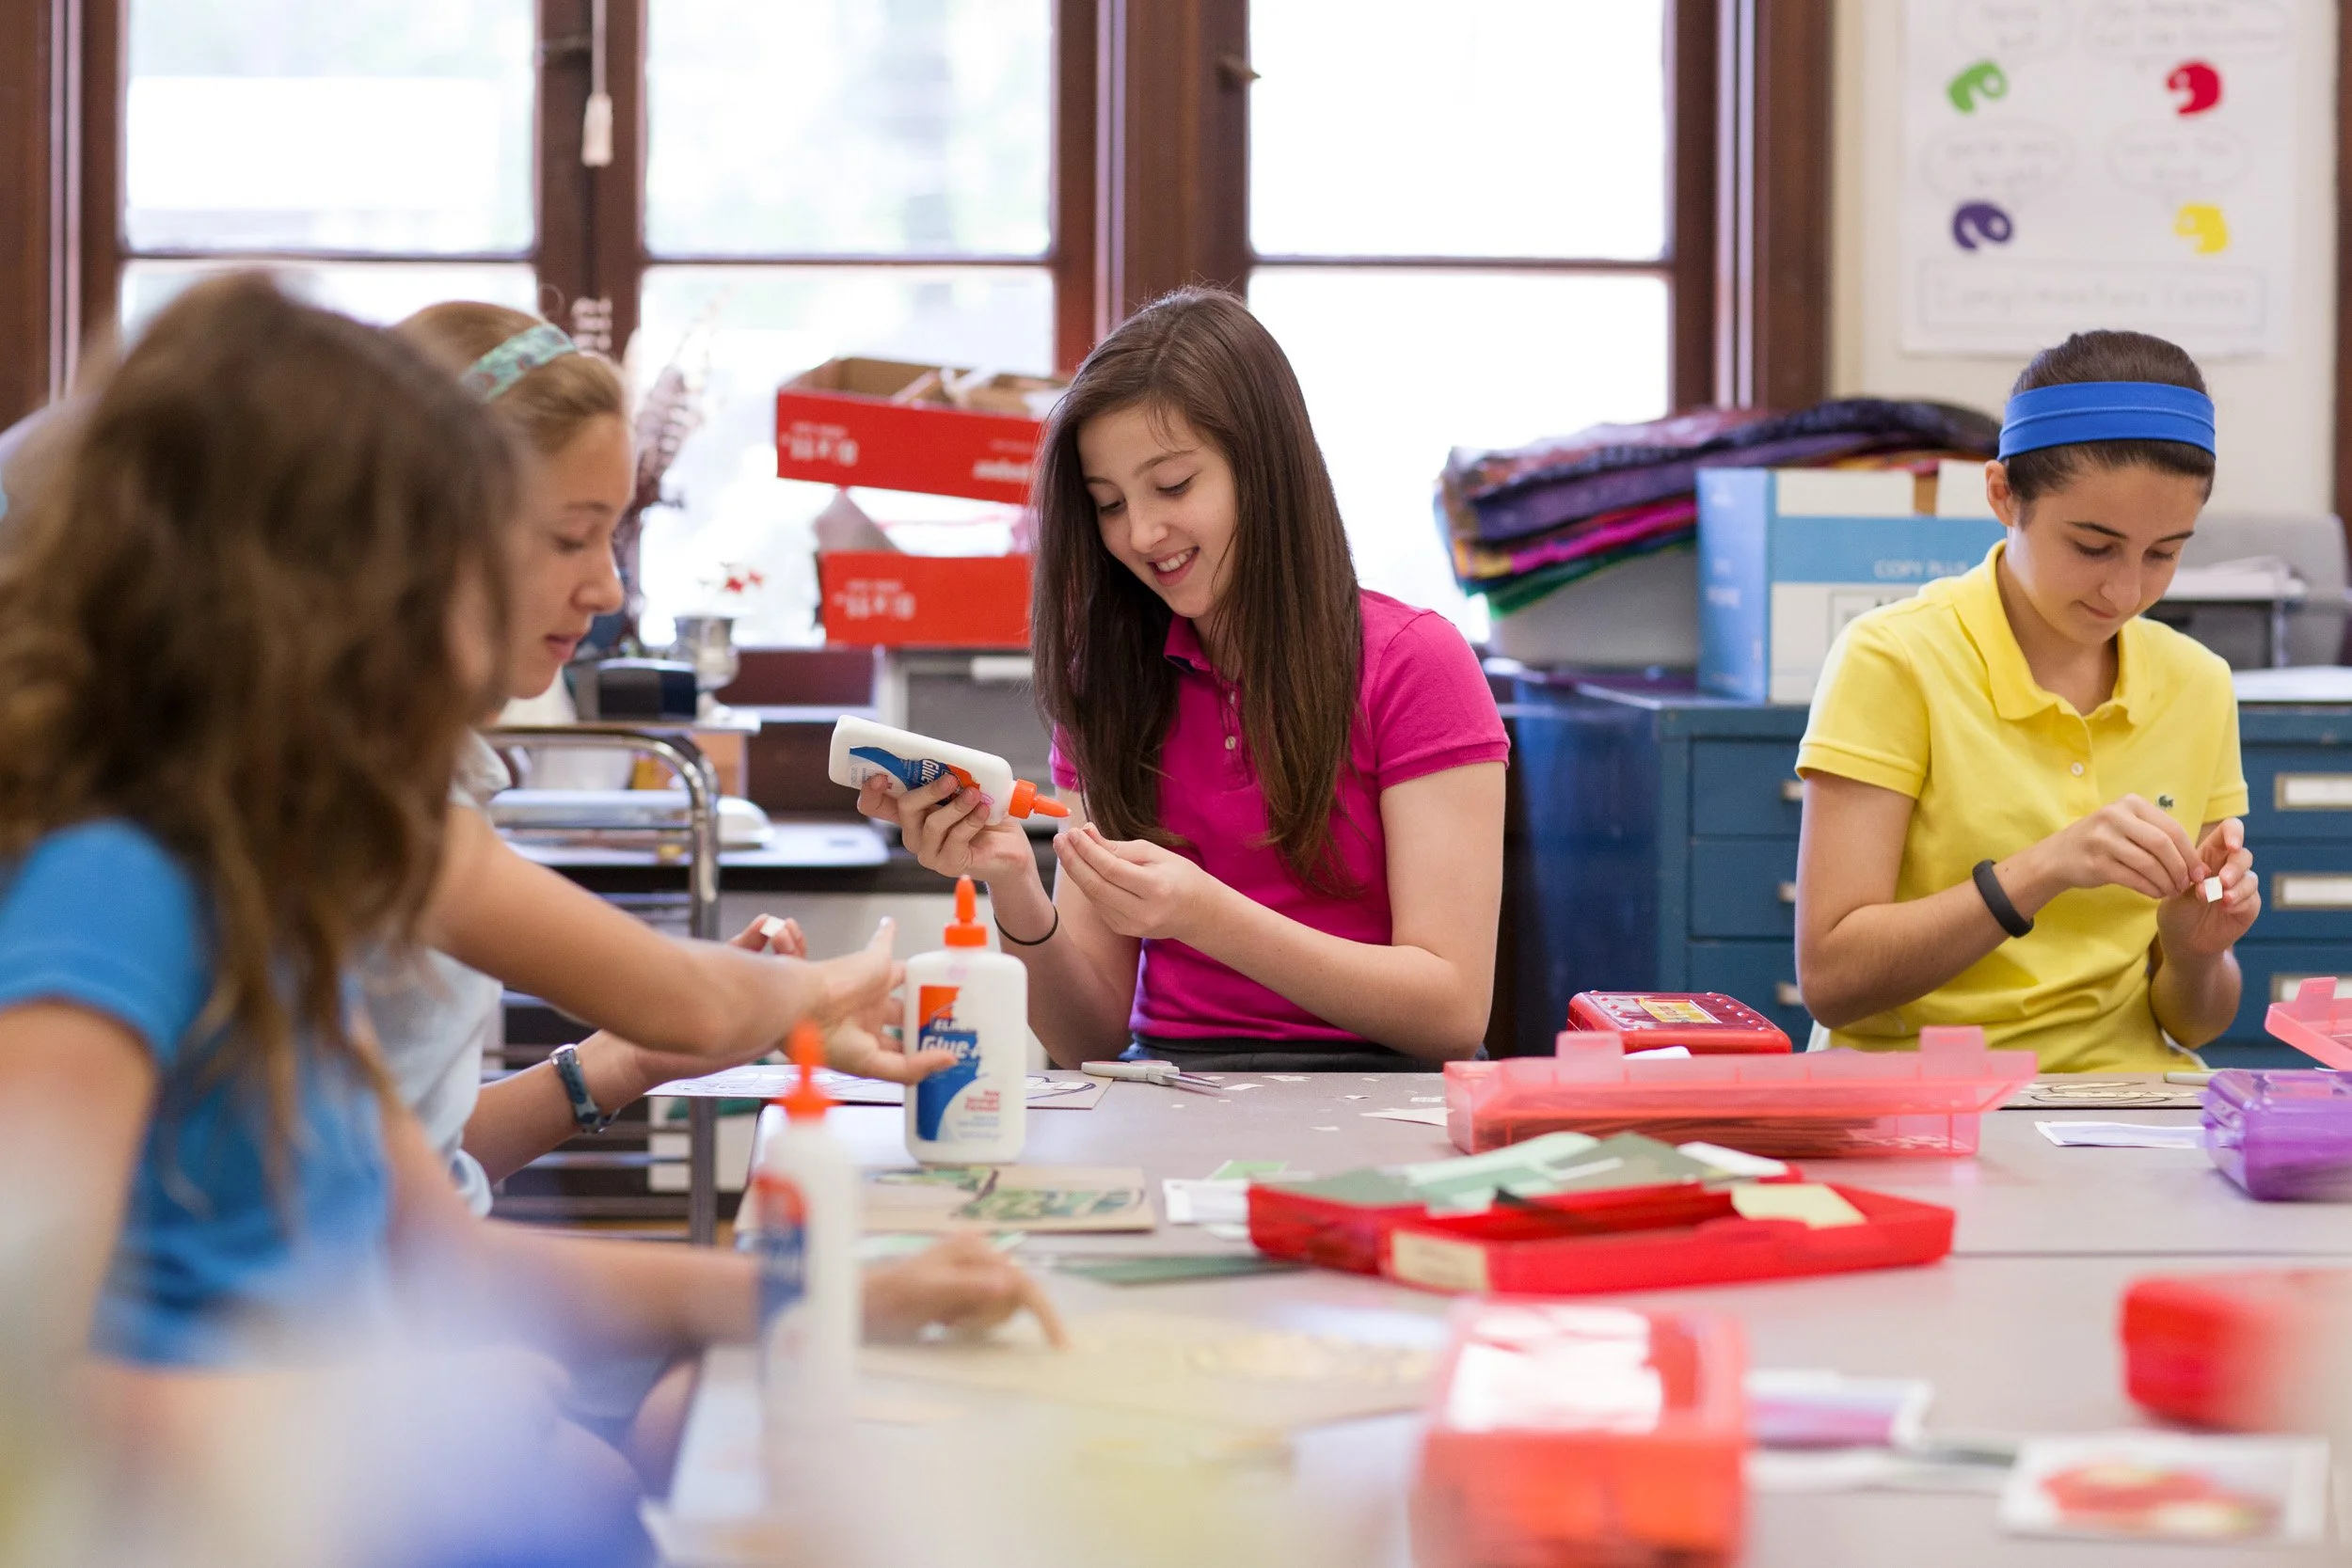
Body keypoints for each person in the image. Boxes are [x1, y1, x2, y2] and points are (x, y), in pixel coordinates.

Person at [0, 277, 1057, 1544]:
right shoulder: (117, 891)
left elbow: (454, 1261)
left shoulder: (281, 887)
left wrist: (843, 1293)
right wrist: (381, 1410)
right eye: (442, 555)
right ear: (302, 596)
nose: (591, 591)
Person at [379, 302, 943, 1213]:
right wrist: (812, 986)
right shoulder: (366, 804)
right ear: (427, 536)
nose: (606, 587)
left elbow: (420, 1167)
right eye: (571, 535)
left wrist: (632, 1058)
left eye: (611, 534)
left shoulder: (433, 768)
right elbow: (691, 999)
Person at [863, 288, 1509, 1071]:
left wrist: (1206, 915)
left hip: (1385, 1094)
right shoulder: (1110, 684)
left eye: (1172, 487)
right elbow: (1088, 1038)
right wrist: (1013, 884)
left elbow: (1449, 1011)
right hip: (1174, 1085)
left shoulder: (1416, 663)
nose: (1140, 533)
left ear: (1264, 467)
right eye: (1108, 504)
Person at [1794, 329, 2260, 1072]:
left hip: (2127, 1106)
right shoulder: (1894, 659)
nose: (2126, 591)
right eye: (2093, 546)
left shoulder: (2197, 683)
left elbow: (2195, 1024)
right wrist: (2045, 868)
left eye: (2163, 552)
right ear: (2003, 494)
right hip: (1924, 1096)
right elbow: (1833, 981)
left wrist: (2196, 950)